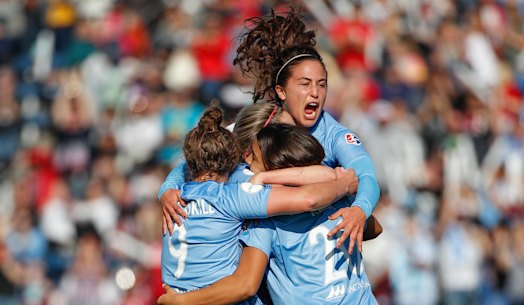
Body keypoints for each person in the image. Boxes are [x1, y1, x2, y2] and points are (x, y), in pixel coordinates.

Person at [159, 8, 380, 252]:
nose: (315, 92)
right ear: (281, 91)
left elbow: (366, 176)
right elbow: (200, 157)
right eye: (305, 84)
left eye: (322, 84)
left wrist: (360, 210)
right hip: (262, 243)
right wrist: (168, 188)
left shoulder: (335, 135)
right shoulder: (258, 124)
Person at [157, 121, 381, 305]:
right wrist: (347, 197)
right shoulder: (337, 200)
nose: (244, 161)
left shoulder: (265, 221)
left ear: (275, 167)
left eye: (252, 157)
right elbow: (374, 228)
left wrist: (180, 301)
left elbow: (244, 285)